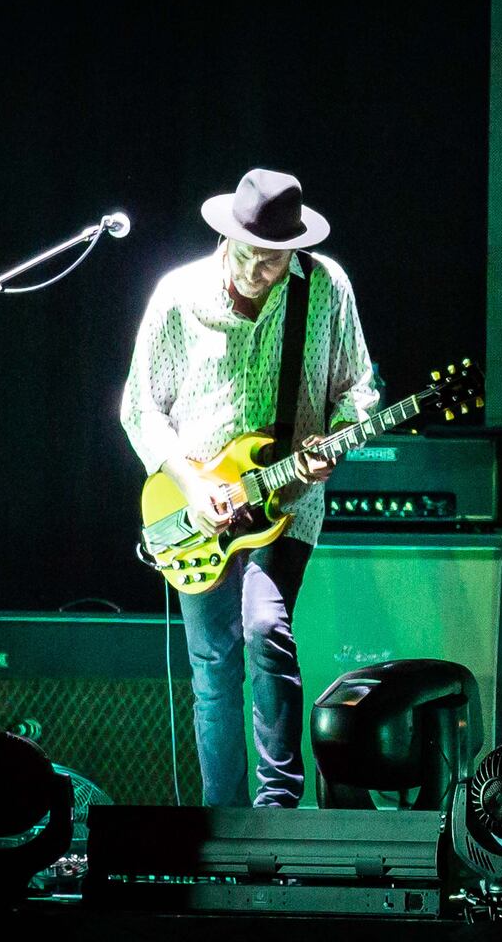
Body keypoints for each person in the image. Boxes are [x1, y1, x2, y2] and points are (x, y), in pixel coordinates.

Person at [121, 168, 377, 806]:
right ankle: (223, 821)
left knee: (265, 630)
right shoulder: (178, 296)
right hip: (196, 504)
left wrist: (335, 443)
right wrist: (190, 482)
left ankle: (277, 812)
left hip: (286, 501)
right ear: (225, 237)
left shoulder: (324, 288)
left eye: (274, 259)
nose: (259, 272)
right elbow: (141, 407)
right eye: (249, 256)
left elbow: (357, 389)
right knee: (213, 664)